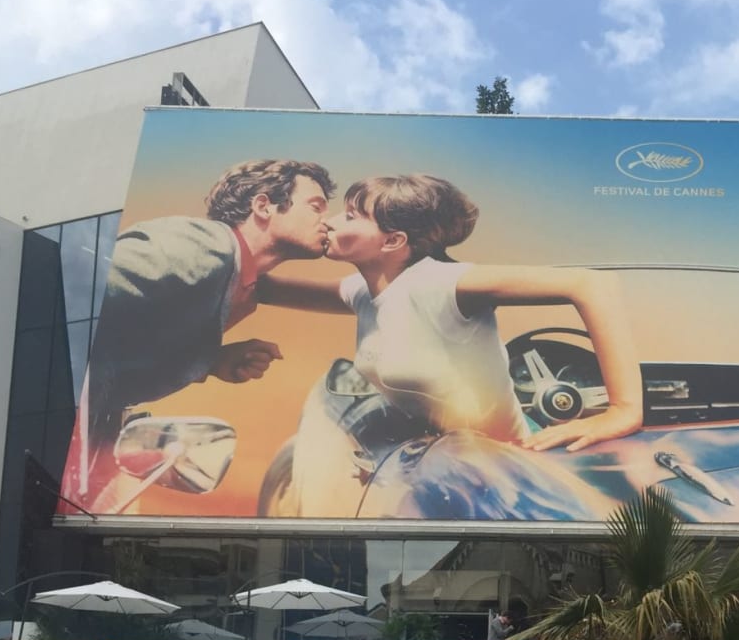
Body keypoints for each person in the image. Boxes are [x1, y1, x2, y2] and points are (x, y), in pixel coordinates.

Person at [263, 172, 644, 454]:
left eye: (351, 216)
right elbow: (263, 286)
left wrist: (623, 411)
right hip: (439, 465)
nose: (330, 221)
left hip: (514, 469)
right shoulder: (362, 291)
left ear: (393, 240)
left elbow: (593, 284)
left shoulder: (441, 282)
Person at [76, 158, 336, 478]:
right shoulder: (206, 245)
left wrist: (210, 360)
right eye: (316, 207)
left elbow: (126, 336)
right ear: (264, 206)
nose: (330, 221)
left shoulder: (239, 274)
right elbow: (86, 293)